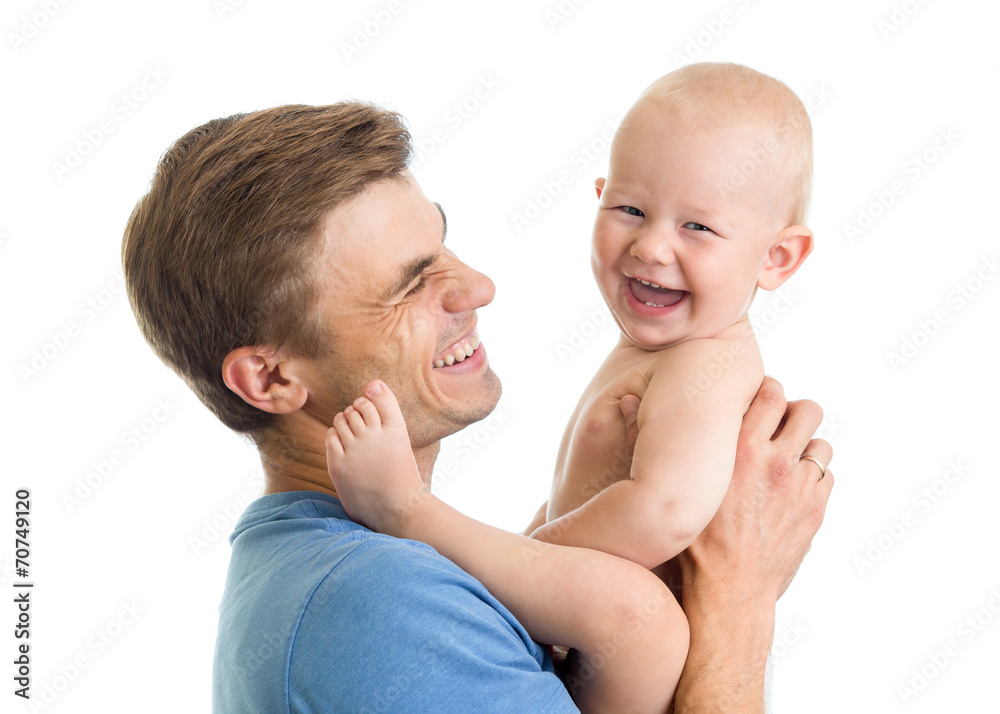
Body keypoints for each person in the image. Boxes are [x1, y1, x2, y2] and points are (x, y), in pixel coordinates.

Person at [121, 100, 833, 713]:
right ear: (272, 380)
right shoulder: (376, 603)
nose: (479, 287)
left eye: (444, 242)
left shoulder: (344, 574)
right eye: (409, 284)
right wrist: (738, 601)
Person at [324, 62, 829, 710]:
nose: (651, 246)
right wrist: (537, 555)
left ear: (775, 257)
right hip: (593, 652)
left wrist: (530, 555)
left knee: (639, 609)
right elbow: (586, 506)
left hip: (640, 665)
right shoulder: (660, 350)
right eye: (630, 209)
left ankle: (407, 511)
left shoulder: (705, 365)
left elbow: (663, 511)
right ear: (599, 195)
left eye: (697, 226)